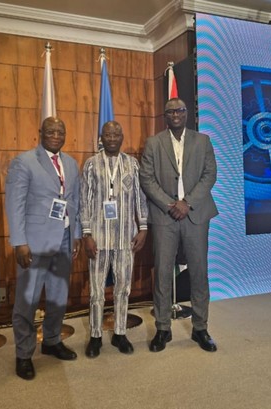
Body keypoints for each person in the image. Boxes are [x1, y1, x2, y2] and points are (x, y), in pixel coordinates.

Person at [139, 97, 218, 353]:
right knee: (163, 273)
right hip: (165, 217)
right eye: (171, 111)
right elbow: (146, 178)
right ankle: (163, 328)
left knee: (199, 272)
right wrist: (170, 205)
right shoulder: (154, 143)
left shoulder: (203, 141)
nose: (175, 114)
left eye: (180, 110)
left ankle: (200, 328)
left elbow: (210, 175)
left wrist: (187, 203)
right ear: (165, 116)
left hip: (196, 215)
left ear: (187, 114)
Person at [5, 116, 81, 380]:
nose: (56, 135)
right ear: (40, 133)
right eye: (51, 131)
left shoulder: (71, 164)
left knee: (58, 297)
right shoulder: (24, 162)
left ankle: (51, 340)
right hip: (34, 243)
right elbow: (14, 204)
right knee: (27, 301)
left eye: (61, 131)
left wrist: (76, 234)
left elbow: (75, 201)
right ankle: (24, 354)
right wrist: (19, 242)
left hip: (64, 239)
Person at [80, 120, 148, 358]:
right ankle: (95, 335)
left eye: (116, 135)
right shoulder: (91, 164)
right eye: (107, 135)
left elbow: (140, 198)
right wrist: (86, 234)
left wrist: (143, 228)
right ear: (101, 137)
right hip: (98, 239)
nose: (111, 138)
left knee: (123, 288)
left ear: (122, 138)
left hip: (125, 238)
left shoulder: (132, 164)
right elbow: (84, 201)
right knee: (96, 291)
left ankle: (120, 333)